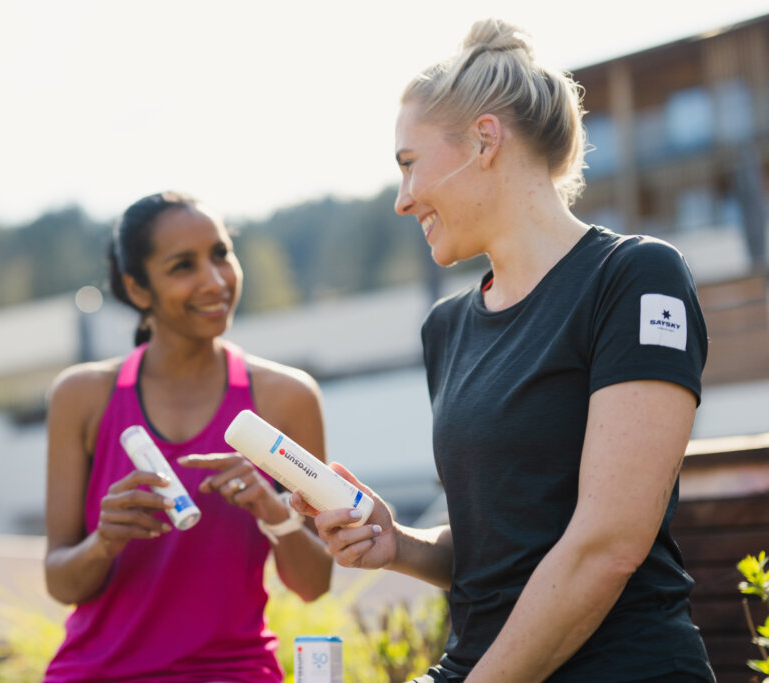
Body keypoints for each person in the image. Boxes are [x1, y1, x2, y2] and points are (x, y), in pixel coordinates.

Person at [292, 18, 716, 683]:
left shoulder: (634, 278)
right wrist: (396, 543)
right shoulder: (446, 328)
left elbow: (606, 544)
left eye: (408, 165)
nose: (403, 200)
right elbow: (499, 549)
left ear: (484, 139)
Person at [42, 191, 333, 682]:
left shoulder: (288, 399)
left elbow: (314, 584)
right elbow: (60, 579)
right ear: (138, 289)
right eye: (183, 266)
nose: (215, 280)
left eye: (221, 254)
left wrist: (273, 510)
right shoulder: (81, 397)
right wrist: (103, 543)